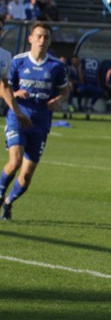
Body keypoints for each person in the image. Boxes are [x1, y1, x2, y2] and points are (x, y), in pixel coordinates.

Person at [0, 23, 67, 222]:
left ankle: (8, 203)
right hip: (17, 117)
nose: (42, 41)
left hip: (40, 123)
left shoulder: (57, 66)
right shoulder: (17, 61)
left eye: (46, 37)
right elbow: (5, 87)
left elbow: (65, 91)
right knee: (15, 161)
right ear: (30, 39)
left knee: (27, 177)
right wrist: (16, 95)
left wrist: (60, 100)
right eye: (38, 36)